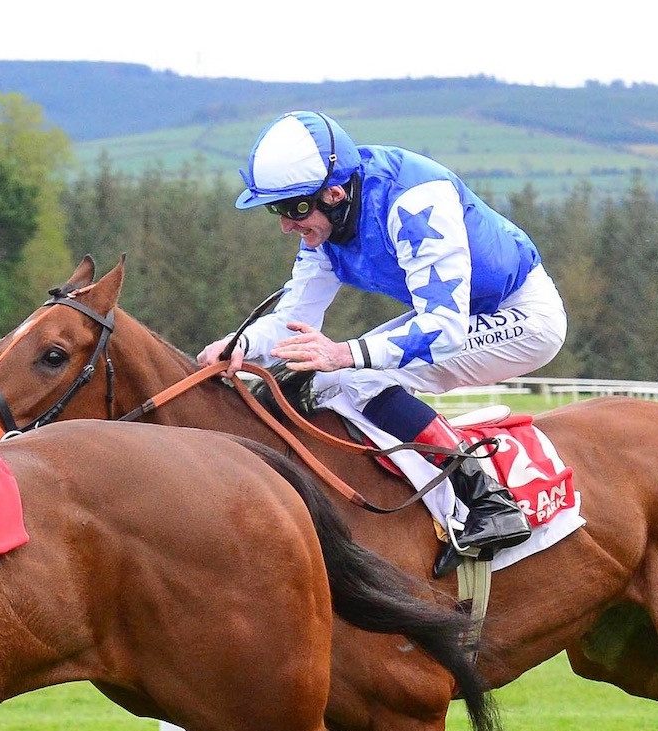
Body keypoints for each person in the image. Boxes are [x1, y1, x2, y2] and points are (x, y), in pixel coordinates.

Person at [197, 110, 568, 558]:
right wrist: (238, 346)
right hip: (458, 315)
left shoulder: (414, 203)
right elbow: (293, 321)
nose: (285, 225)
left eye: (293, 209)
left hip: (522, 317)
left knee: (358, 376)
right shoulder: (324, 228)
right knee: (319, 381)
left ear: (334, 194)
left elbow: (443, 329)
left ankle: (488, 500)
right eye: (276, 210)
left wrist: (345, 354)